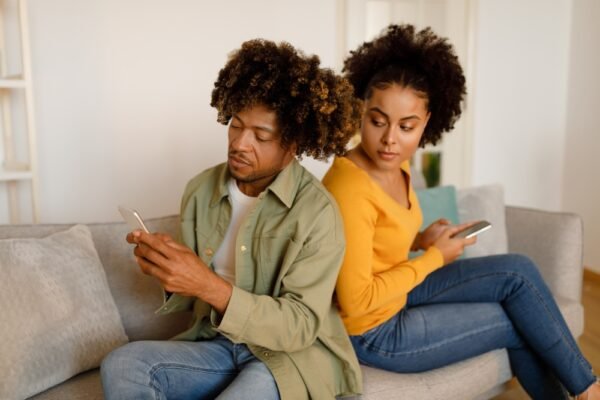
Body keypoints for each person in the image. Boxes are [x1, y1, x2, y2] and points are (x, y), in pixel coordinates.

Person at [322, 24, 599, 400]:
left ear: (426, 123)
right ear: (360, 112)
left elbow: (374, 241)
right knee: (516, 322)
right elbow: (356, 301)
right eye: (377, 121)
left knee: (517, 271)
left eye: (407, 126)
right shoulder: (350, 187)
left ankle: (587, 387)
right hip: (374, 332)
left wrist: (422, 239)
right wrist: (434, 257)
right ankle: (588, 392)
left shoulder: (396, 162)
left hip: (399, 293)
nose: (390, 139)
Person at [101, 39, 363, 400]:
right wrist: (169, 271)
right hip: (217, 343)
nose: (240, 143)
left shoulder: (318, 213)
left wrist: (207, 284)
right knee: (123, 364)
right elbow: (195, 294)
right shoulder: (201, 190)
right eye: (236, 125)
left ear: (293, 145)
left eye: (261, 135)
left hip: (287, 359)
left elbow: (300, 325)